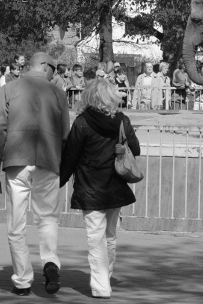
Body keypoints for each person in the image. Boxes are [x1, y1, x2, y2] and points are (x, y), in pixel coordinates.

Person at [0, 52, 71, 296]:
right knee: (48, 218)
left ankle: (22, 281)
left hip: (16, 161)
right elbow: (65, 135)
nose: (55, 74)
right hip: (48, 162)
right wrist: (63, 168)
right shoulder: (59, 94)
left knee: (16, 224)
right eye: (54, 69)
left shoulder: (9, 89)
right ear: (44, 66)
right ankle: (51, 263)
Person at [59, 79, 140, 299]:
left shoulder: (82, 122)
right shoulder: (122, 120)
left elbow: (70, 157)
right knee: (110, 236)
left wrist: (58, 181)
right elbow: (136, 148)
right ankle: (106, 278)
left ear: (90, 96)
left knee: (95, 238)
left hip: (89, 185)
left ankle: (101, 285)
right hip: (115, 185)